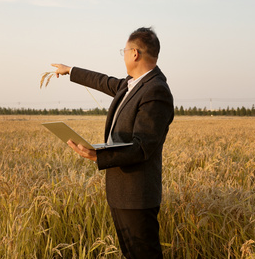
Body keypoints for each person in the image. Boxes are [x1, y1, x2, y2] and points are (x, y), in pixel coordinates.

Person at [51, 27, 174, 259]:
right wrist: (71, 71)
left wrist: (98, 155)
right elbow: (103, 81)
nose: (124, 55)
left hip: (137, 194)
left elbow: (142, 146)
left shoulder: (156, 90)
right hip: (120, 191)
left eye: (124, 51)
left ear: (135, 53)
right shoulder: (132, 83)